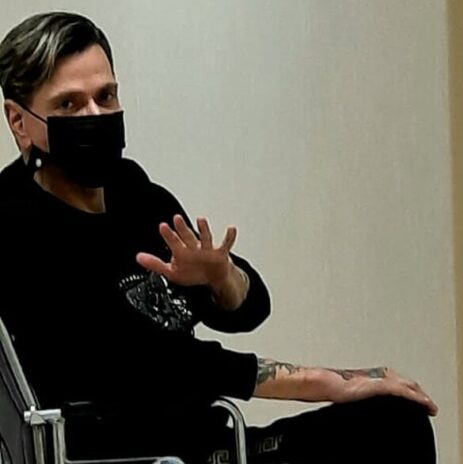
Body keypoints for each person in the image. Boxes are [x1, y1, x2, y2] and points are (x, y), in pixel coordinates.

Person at [0, 12, 438, 464]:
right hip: (130, 455)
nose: (95, 116)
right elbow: (160, 363)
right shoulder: (14, 226)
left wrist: (221, 278)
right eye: (69, 105)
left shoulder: (133, 191)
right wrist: (327, 382)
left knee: (394, 422)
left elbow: (250, 308)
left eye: (105, 96)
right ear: (19, 121)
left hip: (207, 444)